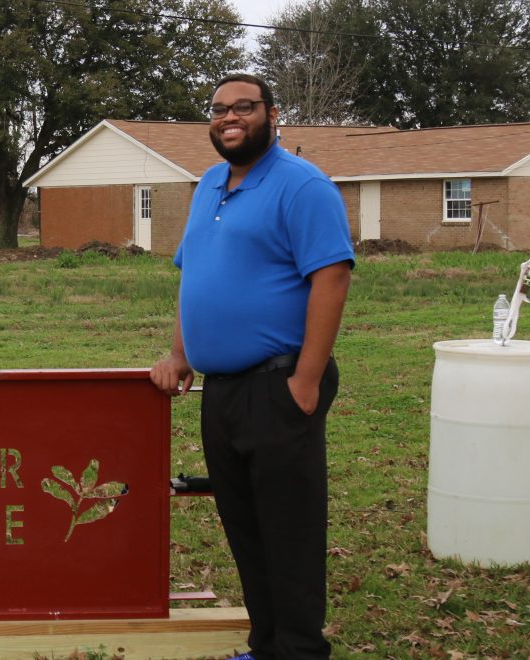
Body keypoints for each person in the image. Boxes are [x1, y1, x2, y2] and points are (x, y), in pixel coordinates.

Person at [150, 73, 353, 659]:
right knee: (245, 528)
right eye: (218, 109)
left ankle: (298, 651)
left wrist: (306, 382)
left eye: (243, 107)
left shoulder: (302, 186)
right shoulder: (210, 183)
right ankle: (266, 648)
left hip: (279, 383)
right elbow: (196, 276)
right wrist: (181, 352)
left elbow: (331, 277)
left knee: (288, 531)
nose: (228, 117)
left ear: (271, 113)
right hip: (223, 390)